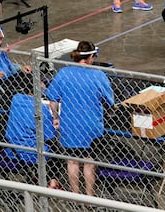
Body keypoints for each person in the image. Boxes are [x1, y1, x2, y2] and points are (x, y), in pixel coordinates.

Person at [46, 41, 114, 197]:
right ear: (90, 57)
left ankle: (75, 197)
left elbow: (53, 101)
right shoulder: (98, 75)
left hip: (70, 126)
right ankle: (89, 198)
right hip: (91, 127)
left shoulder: (63, 73)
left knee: (72, 162)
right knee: (89, 163)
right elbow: (110, 100)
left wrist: (56, 118)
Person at [4, 93, 61, 189]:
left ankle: (40, 176)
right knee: (55, 149)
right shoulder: (41, 107)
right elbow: (49, 136)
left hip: (11, 149)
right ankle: (52, 181)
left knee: (45, 145)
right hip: (31, 153)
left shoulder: (15, 100)